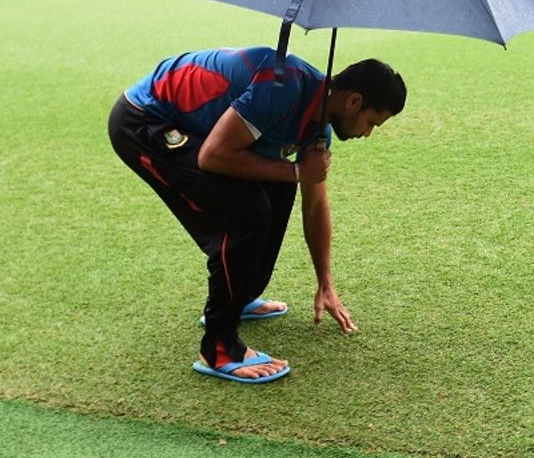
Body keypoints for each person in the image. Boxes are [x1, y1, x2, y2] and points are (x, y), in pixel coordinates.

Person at [109, 46, 406, 384]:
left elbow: (315, 206)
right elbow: (212, 156)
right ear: (354, 101)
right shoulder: (282, 88)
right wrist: (296, 171)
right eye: (371, 123)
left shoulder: (318, 131)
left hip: (194, 129)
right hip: (145, 119)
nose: (366, 134)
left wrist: (325, 282)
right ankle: (219, 349)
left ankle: (241, 297)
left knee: (279, 187)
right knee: (246, 212)